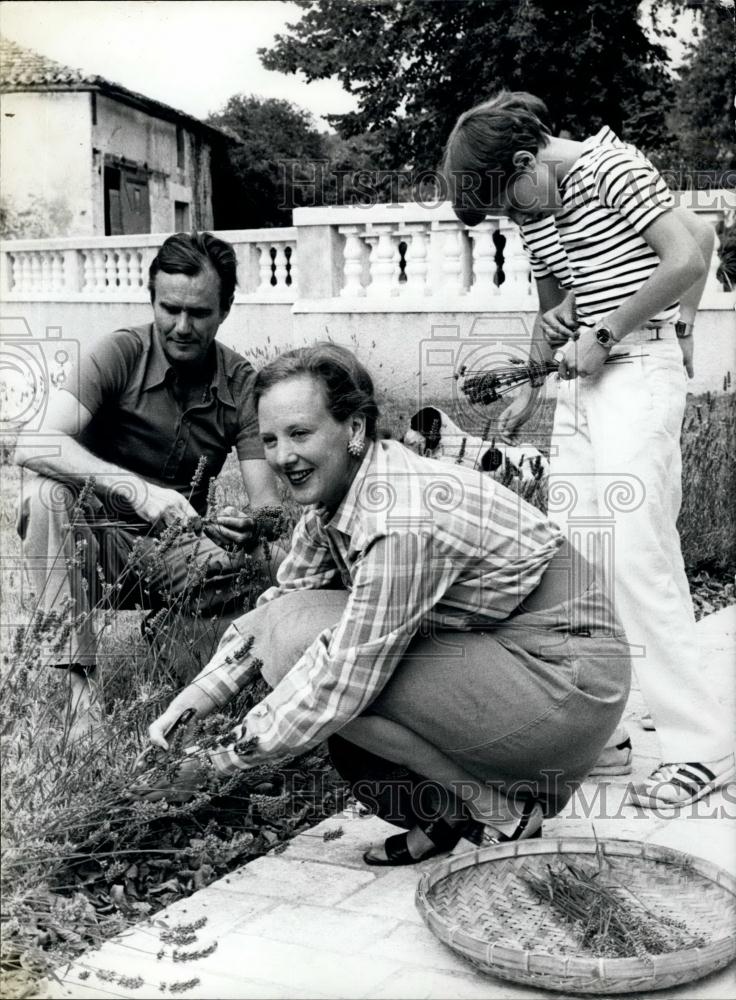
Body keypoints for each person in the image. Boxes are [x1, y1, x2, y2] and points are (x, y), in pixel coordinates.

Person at [142, 343, 631, 865]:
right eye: (270, 439)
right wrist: (189, 705)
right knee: (293, 631)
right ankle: (452, 811)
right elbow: (273, 609)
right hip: (510, 648)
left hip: (569, 676)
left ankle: (497, 810)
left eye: (300, 433)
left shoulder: (397, 517)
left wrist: (219, 759)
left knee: (309, 660)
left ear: (354, 429)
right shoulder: (337, 502)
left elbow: (343, 675)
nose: (282, 456)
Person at [443, 90, 734, 809]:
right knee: (583, 557)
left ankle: (706, 746)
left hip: (641, 371)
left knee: (636, 550)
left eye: (512, 203)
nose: (519, 221)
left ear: (524, 161)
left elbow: (687, 256)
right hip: (581, 389)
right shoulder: (537, 210)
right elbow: (551, 310)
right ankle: (611, 730)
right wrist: (532, 379)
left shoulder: (613, 168)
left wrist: (605, 333)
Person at [14, 232, 282, 741]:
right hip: (99, 547)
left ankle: (189, 652)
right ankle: (81, 701)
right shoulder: (117, 353)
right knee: (45, 498)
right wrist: (138, 492)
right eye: (170, 308)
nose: (182, 326)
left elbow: (268, 508)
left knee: (268, 572)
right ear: (152, 300)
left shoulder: (242, 384)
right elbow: (33, 444)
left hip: (182, 552)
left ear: (225, 309)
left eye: (199, 313)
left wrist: (251, 527)